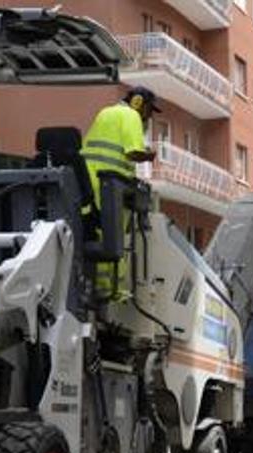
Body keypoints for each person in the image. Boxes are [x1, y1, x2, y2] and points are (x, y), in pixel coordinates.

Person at [80, 87, 160, 298]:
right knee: (113, 237)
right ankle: (111, 291)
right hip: (110, 184)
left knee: (95, 232)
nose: (149, 116)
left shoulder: (106, 112)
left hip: (89, 180)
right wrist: (149, 156)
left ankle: (95, 286)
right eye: (149, 109)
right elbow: (132, 152)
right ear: (137, 102)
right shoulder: (131, 115)